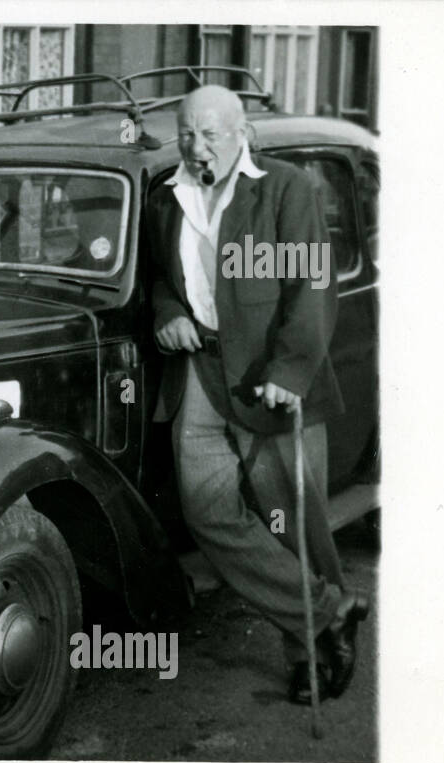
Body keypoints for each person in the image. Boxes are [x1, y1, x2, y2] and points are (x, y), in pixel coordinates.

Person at [146, 85, 369, 705]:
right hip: (200, 373)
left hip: (271, 381)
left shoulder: (284, 186)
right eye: (187, 132)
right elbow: (164, 277)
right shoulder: (168, 197)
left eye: (211, 132)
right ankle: (330, 609)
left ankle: (311, 657)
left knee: (293, 521)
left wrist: (291, 371)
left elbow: (311, 284)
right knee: (209, 512)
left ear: (242, 132)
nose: (197, 145)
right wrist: (168, 311)